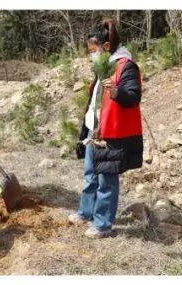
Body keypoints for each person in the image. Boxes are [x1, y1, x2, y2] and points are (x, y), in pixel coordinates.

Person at [67, 19, 144, 239]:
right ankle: (86, 212)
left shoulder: (125, 66)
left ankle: (103, 224)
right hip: (95, 131)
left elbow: (133, 97)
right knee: (90, 175)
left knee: (106, 179)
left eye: (93, 50)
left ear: (107, 47)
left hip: (112, 134)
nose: (91, 55)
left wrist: (117, 91)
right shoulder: (104, 68)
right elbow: (95, 102)